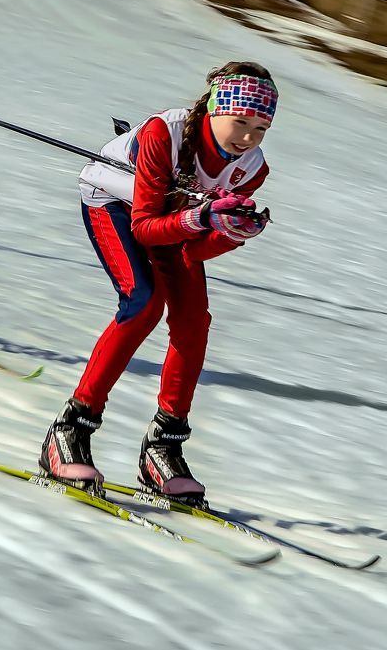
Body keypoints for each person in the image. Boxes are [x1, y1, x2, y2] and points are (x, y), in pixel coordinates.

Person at [38, 62, 279, 504]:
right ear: (214, 109)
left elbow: (192, 250)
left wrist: (230, 235)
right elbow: (146, 227)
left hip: (174, 223)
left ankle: (163, 447)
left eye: (261, 128)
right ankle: (69, 429)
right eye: (240, 121)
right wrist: (202, 217)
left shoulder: (251, 169)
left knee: (193, 322)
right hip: (114, 202)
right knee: (144, 302)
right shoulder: (162, 134)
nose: (248, 137)